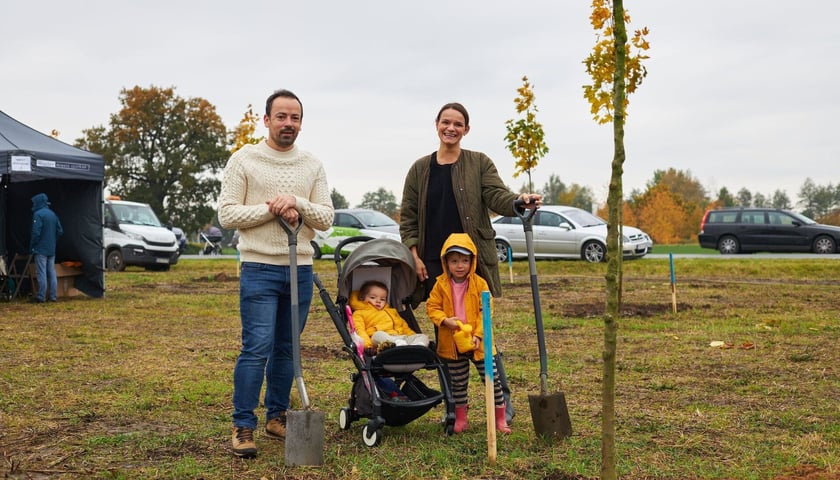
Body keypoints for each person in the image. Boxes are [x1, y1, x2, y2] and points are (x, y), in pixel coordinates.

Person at [399, 101, 541, 423]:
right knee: (446, 339)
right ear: (436, 125)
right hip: (436, 264)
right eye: (445, 122)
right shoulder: (420, 169)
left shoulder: (478, 163)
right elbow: (407, 217)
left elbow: (497, 196)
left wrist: (519, 201)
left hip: (471, 262)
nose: (451, 128)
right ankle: (455, 408)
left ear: (466, 129)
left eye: (458, 124)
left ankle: (500, 400)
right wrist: (414, 254)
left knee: (482, 333)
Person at [217, 89, 334, 459]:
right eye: (281, 117)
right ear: (266, 120)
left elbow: (326, 218)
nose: (288, 124)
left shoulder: (311, 164)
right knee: (257, 347)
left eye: (295, 118)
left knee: (287, 349)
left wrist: (297, 202)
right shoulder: (244, 159)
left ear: (301, 123)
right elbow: (228, 215)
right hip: (259, 267)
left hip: (299, 269)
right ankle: (243, 424)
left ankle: (277, 415)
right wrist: (273, 210)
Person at [426, 233, 510, 434]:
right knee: (458, 383)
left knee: (492, 380)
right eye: (454, 261)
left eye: (464, 260)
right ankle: (461, 418)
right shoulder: (441, 284)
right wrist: (444, 320)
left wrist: (480, 335)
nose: (460, 265)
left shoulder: (479, 283)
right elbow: (432, 306)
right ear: (446, 262)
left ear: (472, 261)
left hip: (480, 342)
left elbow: (486, 311)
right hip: (453, 342)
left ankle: (499, 418)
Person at [350, 280, 429, 351]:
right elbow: (360, 331)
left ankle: (417, 347)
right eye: (373, 297)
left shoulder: (392, 311)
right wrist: (368, 346)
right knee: (377, 335)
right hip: (382, 342)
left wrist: (412, 336)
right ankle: (396, 345)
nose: (378, 301)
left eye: (382, 299)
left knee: (422, 336)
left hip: (401, 338)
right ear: (362, 298)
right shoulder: (359, 313)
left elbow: (404, 327)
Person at [29, 193, 63, 303]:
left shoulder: (38, 214)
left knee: (41, 272)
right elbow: (60, 231)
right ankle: (53, 296)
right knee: (51, 272)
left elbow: (35, 233)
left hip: (41, 249)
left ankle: (41, 296)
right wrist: (53, 241)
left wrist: (32, 246)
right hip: (51, 249)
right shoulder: (53, 214)